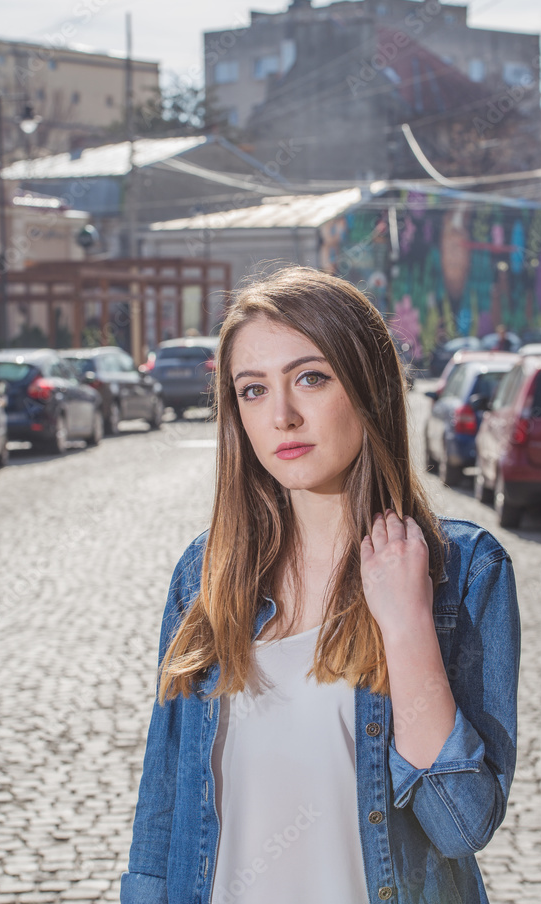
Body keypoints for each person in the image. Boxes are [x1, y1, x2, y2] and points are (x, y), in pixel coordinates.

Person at [120, 266, 520, 904]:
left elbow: (460, 823)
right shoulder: (206, 574)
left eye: (310, 378)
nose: (281, 415)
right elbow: (162, 819)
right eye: (252, 390)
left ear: (369, 389)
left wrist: (407, 623)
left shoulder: (463, 571)